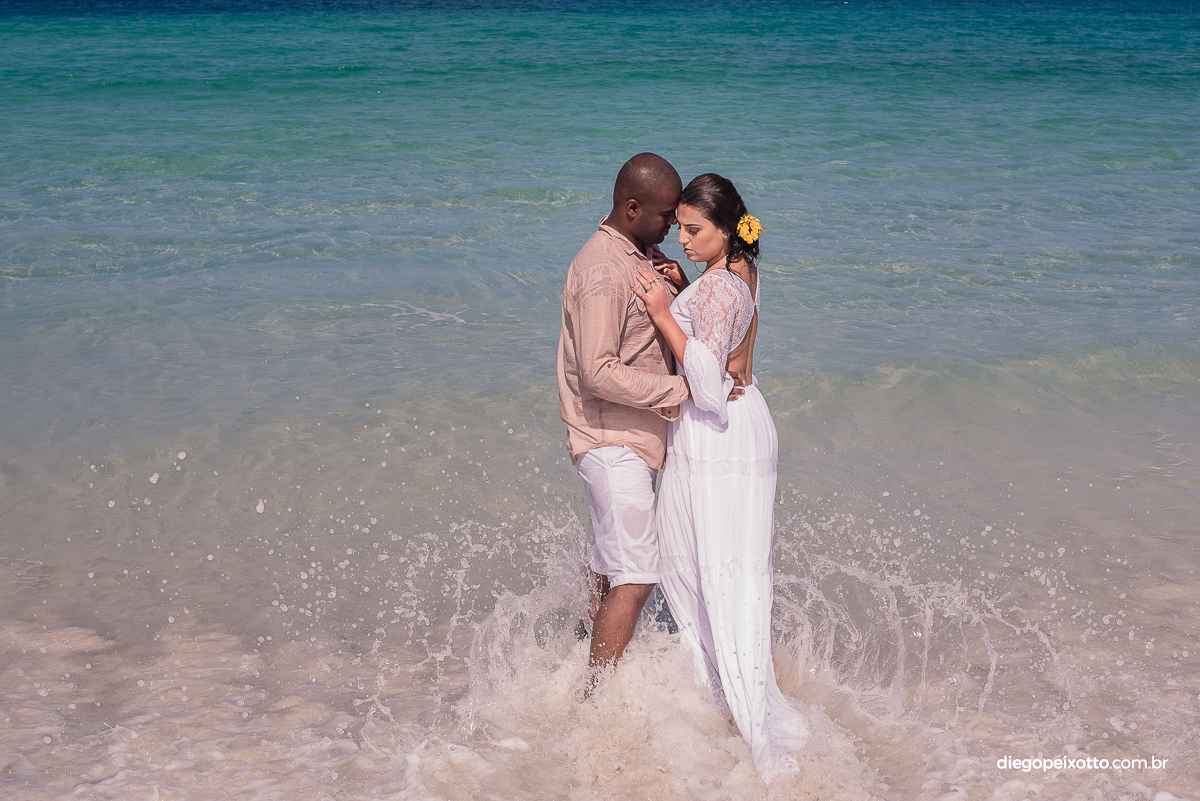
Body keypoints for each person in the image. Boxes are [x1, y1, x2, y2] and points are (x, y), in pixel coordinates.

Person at [631, 173, 809, 781]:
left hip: (718, 431)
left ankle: (732, 701)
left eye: (693, 229)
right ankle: (730, 688)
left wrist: (664, 313)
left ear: (727, 229)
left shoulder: (720, 288)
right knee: (726, 564)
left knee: (701, 563)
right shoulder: (740, 272)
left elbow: (707, 387)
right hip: (745, 419)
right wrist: (689, 292)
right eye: (679, 227)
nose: (681, 239)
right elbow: (730, 344)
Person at [557, 153, 692, 676]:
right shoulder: (603, 269)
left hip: (626, 441)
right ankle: (596, 700)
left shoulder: (638, 255)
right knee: (637, 576)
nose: (674, 225)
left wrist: (680, 285)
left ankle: (581, 660)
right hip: (611, 442)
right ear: (632, 208)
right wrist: (682, 390)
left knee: (610, 567)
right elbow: (598, 371)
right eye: (666, 216)